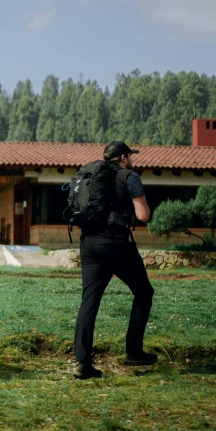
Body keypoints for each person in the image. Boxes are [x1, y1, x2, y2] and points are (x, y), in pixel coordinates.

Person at [73, 141, 156, 379]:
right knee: (143, 292)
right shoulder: (129, 176)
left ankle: (82, 363)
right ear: (122, 158)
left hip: (89, 243)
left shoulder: (91, 175)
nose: (133, 159)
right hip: (115, 243)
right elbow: (143, 215)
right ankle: (134, 352)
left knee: (89, 301)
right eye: (130, 155)